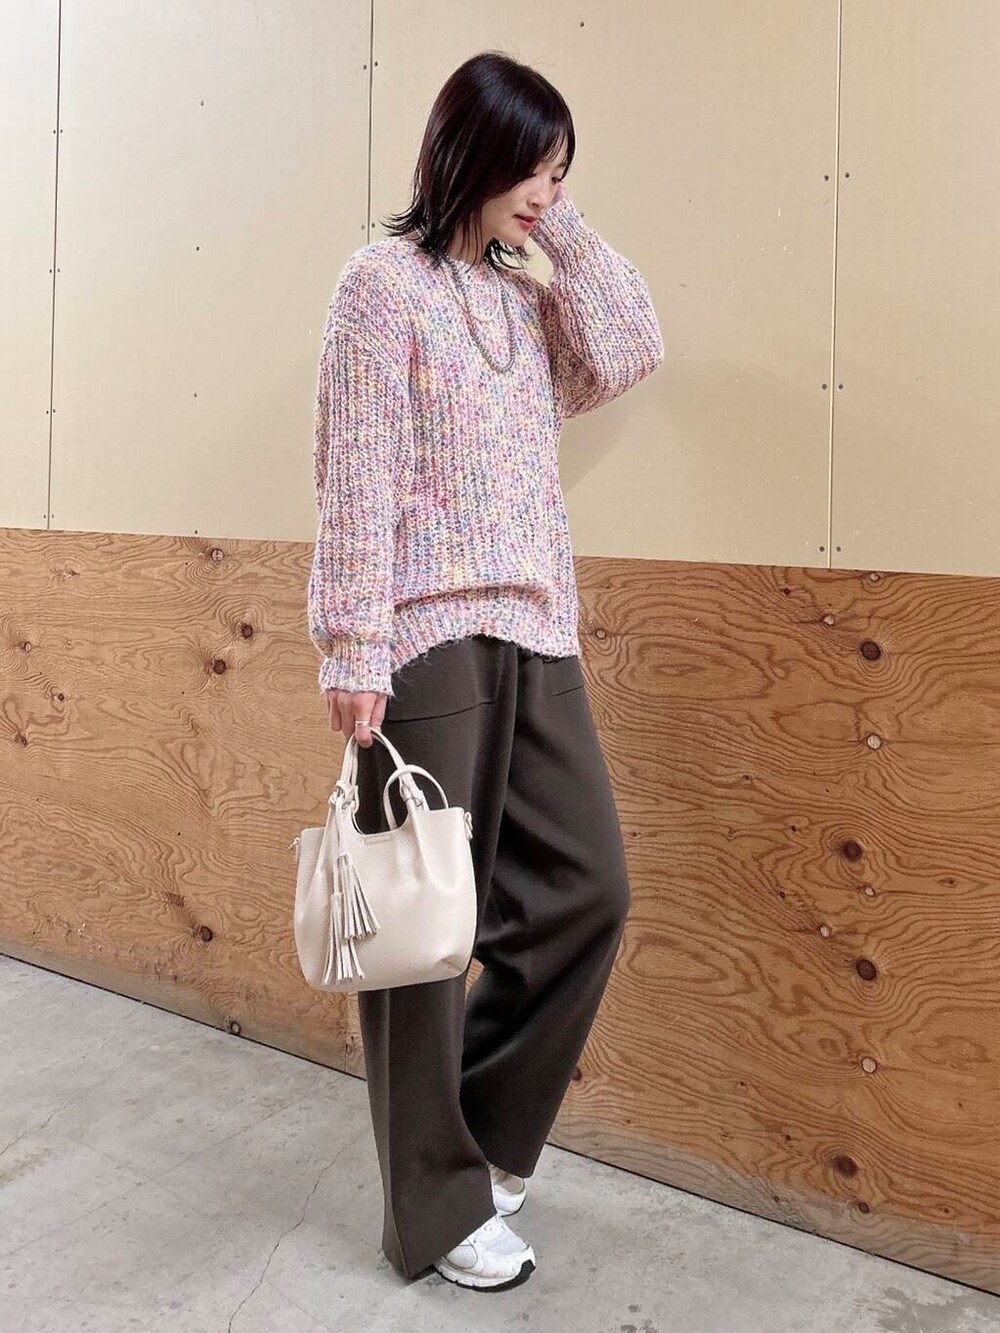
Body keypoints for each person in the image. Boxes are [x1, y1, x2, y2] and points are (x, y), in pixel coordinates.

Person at [307, 49, 664, 1291]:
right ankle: (436, 1206)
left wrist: (560, 225)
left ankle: (487, 1150)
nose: (547, 192)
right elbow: (355, 474)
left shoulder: (521, 303)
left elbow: (630, 345)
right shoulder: (380, 287)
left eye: (562, 173)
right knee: (420, 936)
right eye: (533, 169)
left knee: (584, 891)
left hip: (538, 624)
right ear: (473, 152)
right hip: (422, 636)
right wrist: (354, 644)